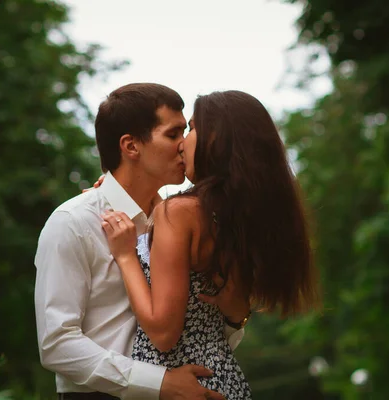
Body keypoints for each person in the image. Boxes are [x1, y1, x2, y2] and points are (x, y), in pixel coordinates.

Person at [34, 83, 250, 400]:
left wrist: (235, 320)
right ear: (131, 146)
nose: (183, 145)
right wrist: (158, 383)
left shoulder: (186, 221)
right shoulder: (75, 222)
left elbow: (204, 330)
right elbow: (56, 344)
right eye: (173, 134)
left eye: (185, 132)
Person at [102, 90, 322, 399]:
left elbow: (164, 334)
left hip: (182, 385)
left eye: (191, 128)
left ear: (215, 140)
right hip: (223, 380)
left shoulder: (178, 214)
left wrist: (125, 256)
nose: (182, 143)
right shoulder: (237, 216)